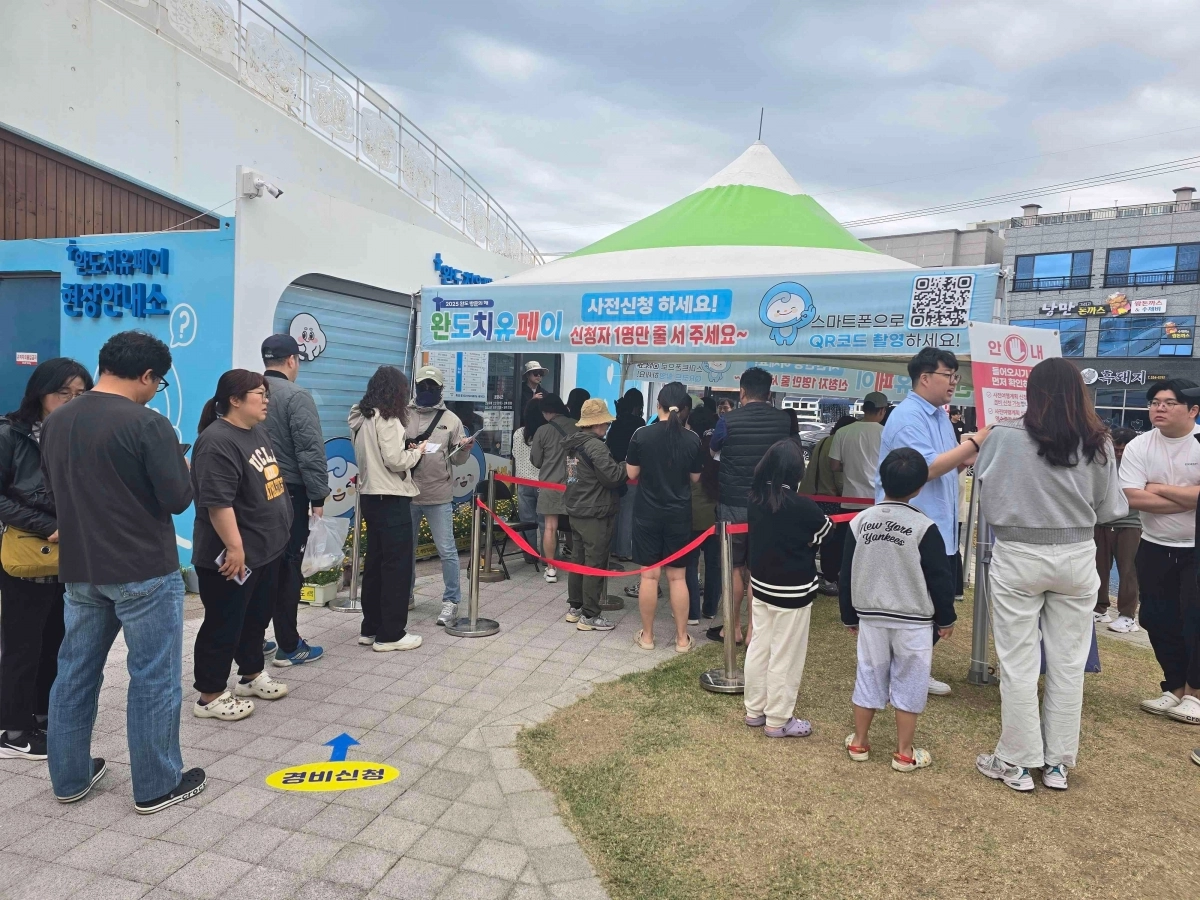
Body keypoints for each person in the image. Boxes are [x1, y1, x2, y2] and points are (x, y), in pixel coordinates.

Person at [41, 330, 203, 813]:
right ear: (148, 375)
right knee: (153, 676)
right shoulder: (148, 425)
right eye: (159, 382)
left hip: (81, 568)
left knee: (74, 672)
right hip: (142, 570)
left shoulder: (58, 420)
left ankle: (68, 778)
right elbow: (177, 498)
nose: (157, 391)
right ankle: (156, 784)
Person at [973, 358, 1126, 792]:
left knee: (1019, 662)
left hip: (1018, 553)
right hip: (1077, 553)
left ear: (1031, 390)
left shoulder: (1003, 435)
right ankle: (1057, 763)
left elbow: (987, 489)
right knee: (1068, 661)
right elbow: (1111, 508)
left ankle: (1017, 762)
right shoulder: (1097, 439)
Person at [877, 348, 989, 696]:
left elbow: (947, 464)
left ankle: (910, 668)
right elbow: (924, 469)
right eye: (948, 375)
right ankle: (903, 671)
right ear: (925, 378)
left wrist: (971, 452)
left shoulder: (940, 416)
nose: (954, 382)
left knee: (933, 600)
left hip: (937, 523)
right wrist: (975, 440)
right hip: (911, 525)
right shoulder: (909, 416)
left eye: (956, 376)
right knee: (916, 601)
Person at [840, 448, 957, 771]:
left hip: (871, 617)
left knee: (868, 675)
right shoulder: (923, 526)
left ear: (881, 479)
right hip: (915, 621)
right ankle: (905, 753)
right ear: (920, 486)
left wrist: (849, 615)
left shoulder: (859, 522)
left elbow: (846, 572)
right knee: (910, 682)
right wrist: (945, 617)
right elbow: (939, 576)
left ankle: (860, 743)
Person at [0, 358, 91, 760]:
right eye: (63, 393)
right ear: (41, 392)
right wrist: (44, 525)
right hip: (27, 552)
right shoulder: (10, 433)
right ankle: (13, 730)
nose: (72, 400)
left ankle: (41, 715)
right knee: (22, 645)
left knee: (55, 640)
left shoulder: (80, 433)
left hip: (69, 556)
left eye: (80, 394)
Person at [191, 370, 294, 722]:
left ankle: (250, 674)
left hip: (265, 551)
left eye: (265, 393)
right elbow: (217, 503)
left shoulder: (256, 431)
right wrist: (235, 548)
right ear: (234, 400)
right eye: (258, 394)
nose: (266, 399)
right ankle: (210, 695)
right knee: (223, 623)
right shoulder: (217, 441)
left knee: (255, 618)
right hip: (232, 558)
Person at [1119, 379, 1200, 725]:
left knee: (1195, 621)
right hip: (1154, 544)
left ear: (1193, 410)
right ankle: (1175, 688)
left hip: (1195, 545)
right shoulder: (1140, 445)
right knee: (1155, 617)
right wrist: (1187, 498)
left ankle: (1196, 694)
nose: (1159, 408)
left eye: (1169, 402)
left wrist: (1160, 489)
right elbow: (1131, 497)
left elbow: (1147, 492)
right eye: (1154, 402)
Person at [742, 439, 830, 738]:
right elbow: (824, 532)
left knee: (760, 647)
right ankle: (778, 719)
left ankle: (754, 710)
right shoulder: (803, 505)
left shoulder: (755, 497)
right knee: (785, 655)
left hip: (761, 584)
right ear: (796, 472)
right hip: (793, 589)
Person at [709, 368, 791, 647]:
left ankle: (732, 629)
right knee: (757, 570)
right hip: (770, 504)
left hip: (733, 504)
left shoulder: (727, 420)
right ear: (769, 393)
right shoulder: (784, 421)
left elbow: (714, 448)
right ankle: (756, 630)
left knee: (732, 567)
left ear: (741, 392)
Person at [260, 334, 326, 668]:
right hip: (289, 495)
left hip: (251, 495)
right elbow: (310, 450)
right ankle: (289, 645)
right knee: (288, 570)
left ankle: (254, 640)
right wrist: (318, 495)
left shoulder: (245, 392)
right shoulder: (296, 396)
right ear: (292, 361)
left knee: (258, 568)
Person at [350, 366, 426, 650]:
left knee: (375, 564)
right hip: (391, 497)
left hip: (369, 495)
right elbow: (395, 461)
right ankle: (391, 634)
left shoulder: (361, 417)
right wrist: (416, 452)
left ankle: (370, 628)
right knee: (396, 567)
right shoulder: (389, 418)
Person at [626, 382, 703, 652]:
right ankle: (682, 639)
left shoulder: (641, 435)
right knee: (678, 578)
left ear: (657, 404)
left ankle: (647, 637)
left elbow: (632, 474)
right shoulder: (692, 439)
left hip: (647, 513)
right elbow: (695, 478)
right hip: (679, 515)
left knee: (649, 577)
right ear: (683, 409)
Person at [407, 365, 474, 626]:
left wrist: (463, 448)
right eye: (422, 385)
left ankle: (451, 601)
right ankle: (406, 595)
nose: (426, 390)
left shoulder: (452, 420)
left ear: (440, 389)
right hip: (407, 493)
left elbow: (456, 460)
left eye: (431, 386)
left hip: (439, 494)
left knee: (447, 550)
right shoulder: (402, 414)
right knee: (406, 549)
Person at [562, 399, 627, 631]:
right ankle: (590, 616)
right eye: (606, 423)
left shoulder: (572, 445)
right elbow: (612, 477)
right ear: (597, 424)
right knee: (595, 562)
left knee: (578, 560)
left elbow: (571, 477)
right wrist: (624, 466)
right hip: (595, 511)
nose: (607, 427)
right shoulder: (596, 446)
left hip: (576, 508)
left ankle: (575, 608)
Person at [800, 415, 854, 596]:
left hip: (811, 495)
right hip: (830, 498)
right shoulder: (838, 442)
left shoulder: (823, 441)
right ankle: (829, 579)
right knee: (831, 541)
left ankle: (807, 575)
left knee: (812, 540)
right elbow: (838, 477)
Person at [1094, 427, 1141, 633]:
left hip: (1130, 524)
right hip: (1102, 523)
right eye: (1116, 449)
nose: (1119, 453)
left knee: (1128, 571)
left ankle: (1127, 616)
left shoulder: (1139, 465)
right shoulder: (1102, 463)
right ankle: (1099, 609)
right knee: (1098, 568)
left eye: (1123, 449)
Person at [530, 392, 577, 584]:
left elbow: (536, 460)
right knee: (576, 526)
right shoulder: (577, 425)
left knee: (550, 527)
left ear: (547, 412)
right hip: (574, 484)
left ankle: (551, 570)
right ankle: (577, 566)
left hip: (550, 484)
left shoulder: (543, 431)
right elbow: (577, 457)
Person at [685, 404, 721, 624]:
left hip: (692, 511)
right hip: (717, 512)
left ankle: (692, 613)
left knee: (690, 562)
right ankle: (710, 609)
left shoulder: (691, 445)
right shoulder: (719, 446)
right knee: (714, 563)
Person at [606, 389, 646, 562]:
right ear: (638, 405)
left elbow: (610, 445)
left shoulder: (616, 422)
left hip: (615, 472)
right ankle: (624, 550)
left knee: (616, 510)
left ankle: (613, 548)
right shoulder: (639, 423)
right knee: (628, 513)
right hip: (633, 473)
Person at [511, 397, 546, 562]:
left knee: (527, 521)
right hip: (542, 482)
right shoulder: (545, 433)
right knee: (546, 522)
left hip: (523, 482)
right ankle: (549, 558)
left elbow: (515, 455)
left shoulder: (518, 433)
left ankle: (530, 556)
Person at [519, 360, 548, 425]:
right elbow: (518, 412)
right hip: (522, 427)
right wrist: (532, 401)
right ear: (527, 375)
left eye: (540, 373)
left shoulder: (544, 393)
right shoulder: (519, 391)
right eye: (535, 373)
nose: (538, 376)